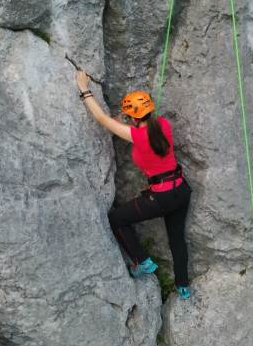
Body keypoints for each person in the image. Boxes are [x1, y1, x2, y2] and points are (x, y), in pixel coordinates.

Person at [76, 70, 192, 300]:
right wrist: (128, 117)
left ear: (135, 118)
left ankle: (142, 261)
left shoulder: (137, 136)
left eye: (130, 117)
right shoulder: (163, 125)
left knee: (117, 218)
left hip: (161, 197)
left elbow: (102, 120)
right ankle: (183, 286)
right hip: (181, 190)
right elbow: (129, 123)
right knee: (177, 238)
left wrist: (84, 89)